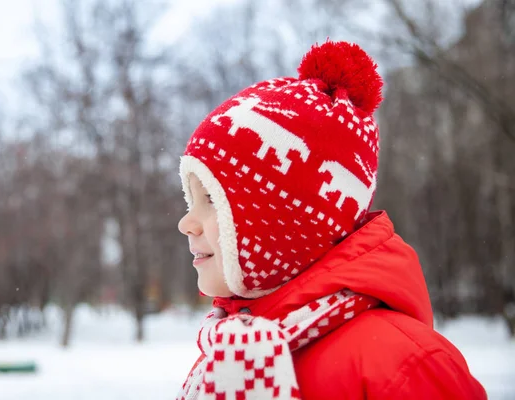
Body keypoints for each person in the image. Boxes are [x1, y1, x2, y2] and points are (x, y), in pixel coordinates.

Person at [176, 40, 487, 400]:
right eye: (191, 199)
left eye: (211, 198)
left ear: (285, 220)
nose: (186, 222)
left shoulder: (404, 365)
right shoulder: (237, 354)